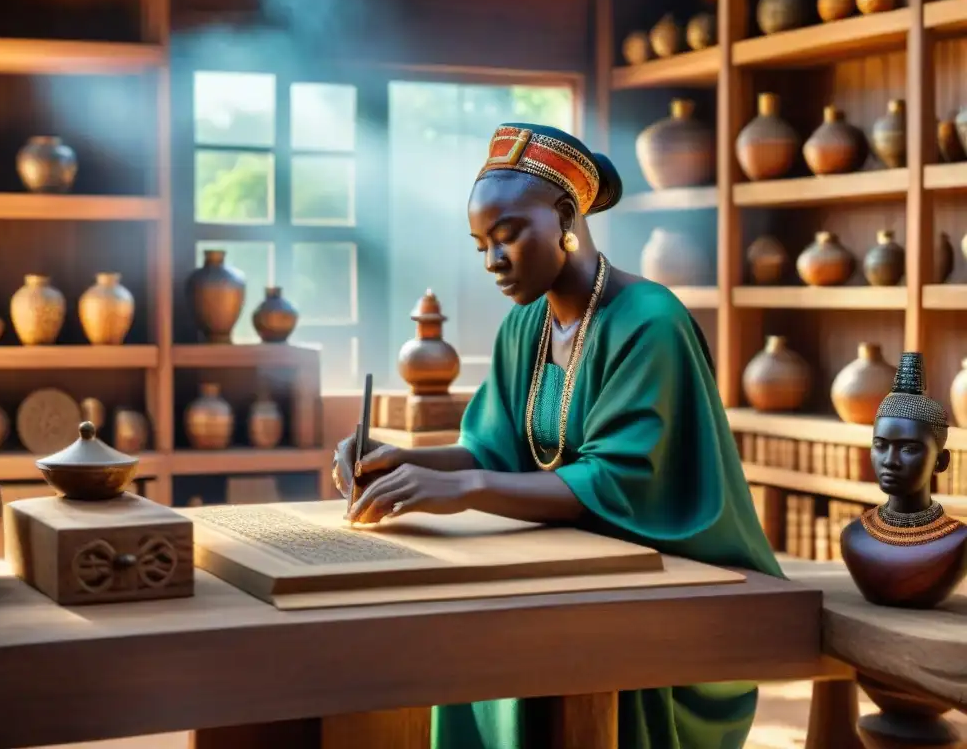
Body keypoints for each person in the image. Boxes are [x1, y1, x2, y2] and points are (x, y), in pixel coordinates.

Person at [331, 123, 783, 749]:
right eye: (480, 244)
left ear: (565, 215)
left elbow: (615, 482)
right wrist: (398, 458)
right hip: (569, 563)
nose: (492, 262)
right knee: (457, 629)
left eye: (507, 234)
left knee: (511, 637)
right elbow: (493, 452)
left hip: (675, 580)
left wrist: (460, 488)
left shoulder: (650, 322)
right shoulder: (527, 327)